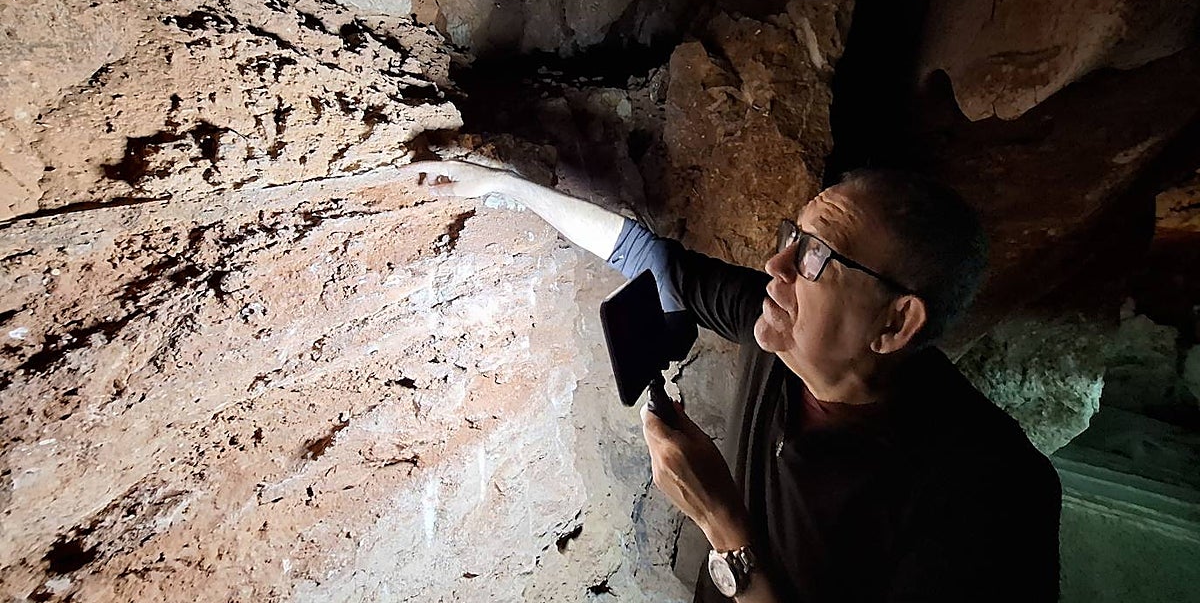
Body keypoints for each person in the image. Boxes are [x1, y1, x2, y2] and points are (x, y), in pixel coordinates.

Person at [411, 159, 1061, 602]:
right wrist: (505, 186)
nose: (775, 264)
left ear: (895, 322)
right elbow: (648, 257)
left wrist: (724, 529)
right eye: (792, 236)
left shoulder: (992, 497)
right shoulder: (780, 328)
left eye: (814, 256)